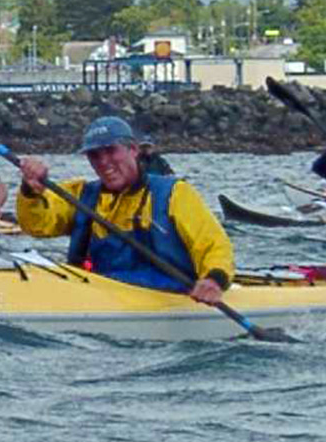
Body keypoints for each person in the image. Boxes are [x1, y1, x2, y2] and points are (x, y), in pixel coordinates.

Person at [15, 116, 233, 304]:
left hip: (166, 297)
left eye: (110, 151)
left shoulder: (174, 193)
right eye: (94, 155)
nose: (103, 162)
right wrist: (31, 191)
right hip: (100, 295)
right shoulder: (81, 194)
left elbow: (213, 244)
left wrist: (214, 280)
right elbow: (37, 225)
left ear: (133, 150)